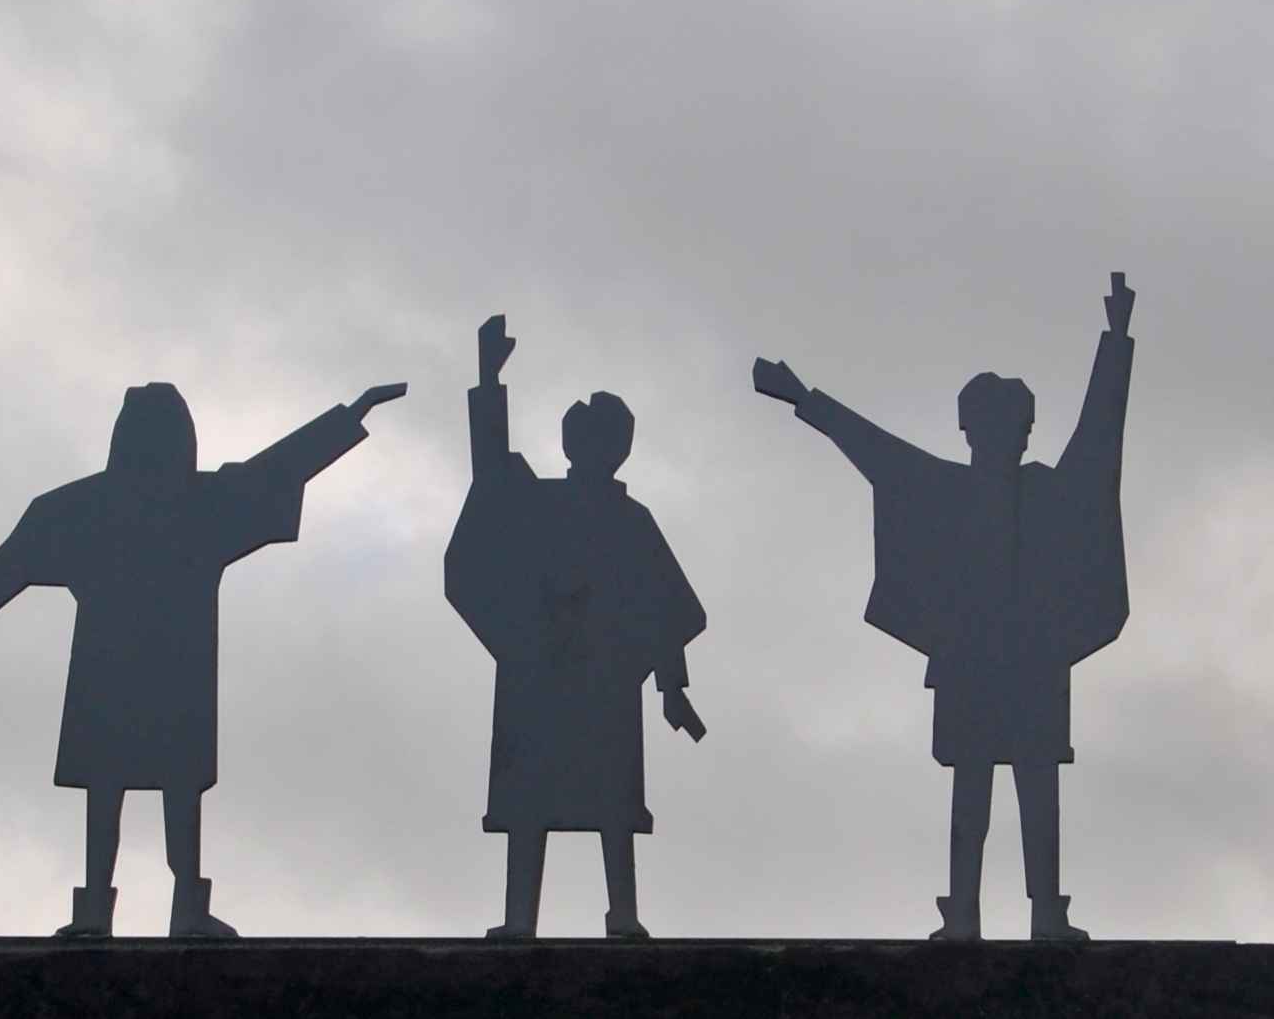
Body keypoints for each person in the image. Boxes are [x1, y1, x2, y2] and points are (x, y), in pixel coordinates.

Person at [0, 378, 407, 937]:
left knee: (149, 786)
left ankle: (146, 910)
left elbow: (279, 467)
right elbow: (12, 562)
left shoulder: (109, 504)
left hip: (153, 665)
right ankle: (122, 910)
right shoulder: (171, 503)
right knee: (135, 786)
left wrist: (350, 416)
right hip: (139, 665)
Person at [752, 273, 1135, 941]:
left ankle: (1045, 909)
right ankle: (962, 908)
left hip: (1033, 663)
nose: (1002, 436)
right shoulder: (943, 490)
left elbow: (1098, 437)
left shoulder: (1047, 495)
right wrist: (800, 397)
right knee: (972, 791)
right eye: (991, 424)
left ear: (1022, 431)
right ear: (968, 429)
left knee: (1037, 790)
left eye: (1012, 425)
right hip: (971, 663)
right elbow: (872, 450)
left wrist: (1115, 341)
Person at [445, 315, 707, 939]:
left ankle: (623, 913)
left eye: (609, 441)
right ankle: (518, 920)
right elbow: (491, 475)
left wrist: (671, 684)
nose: (598, 451)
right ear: (572, 445)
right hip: (541, 674)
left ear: (620, 448)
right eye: (590, 439)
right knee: (530, 803)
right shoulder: (540, 505)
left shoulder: (631, 520)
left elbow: (667, 602)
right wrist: (487, 382)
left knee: (613, 806)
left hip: (603, 680)